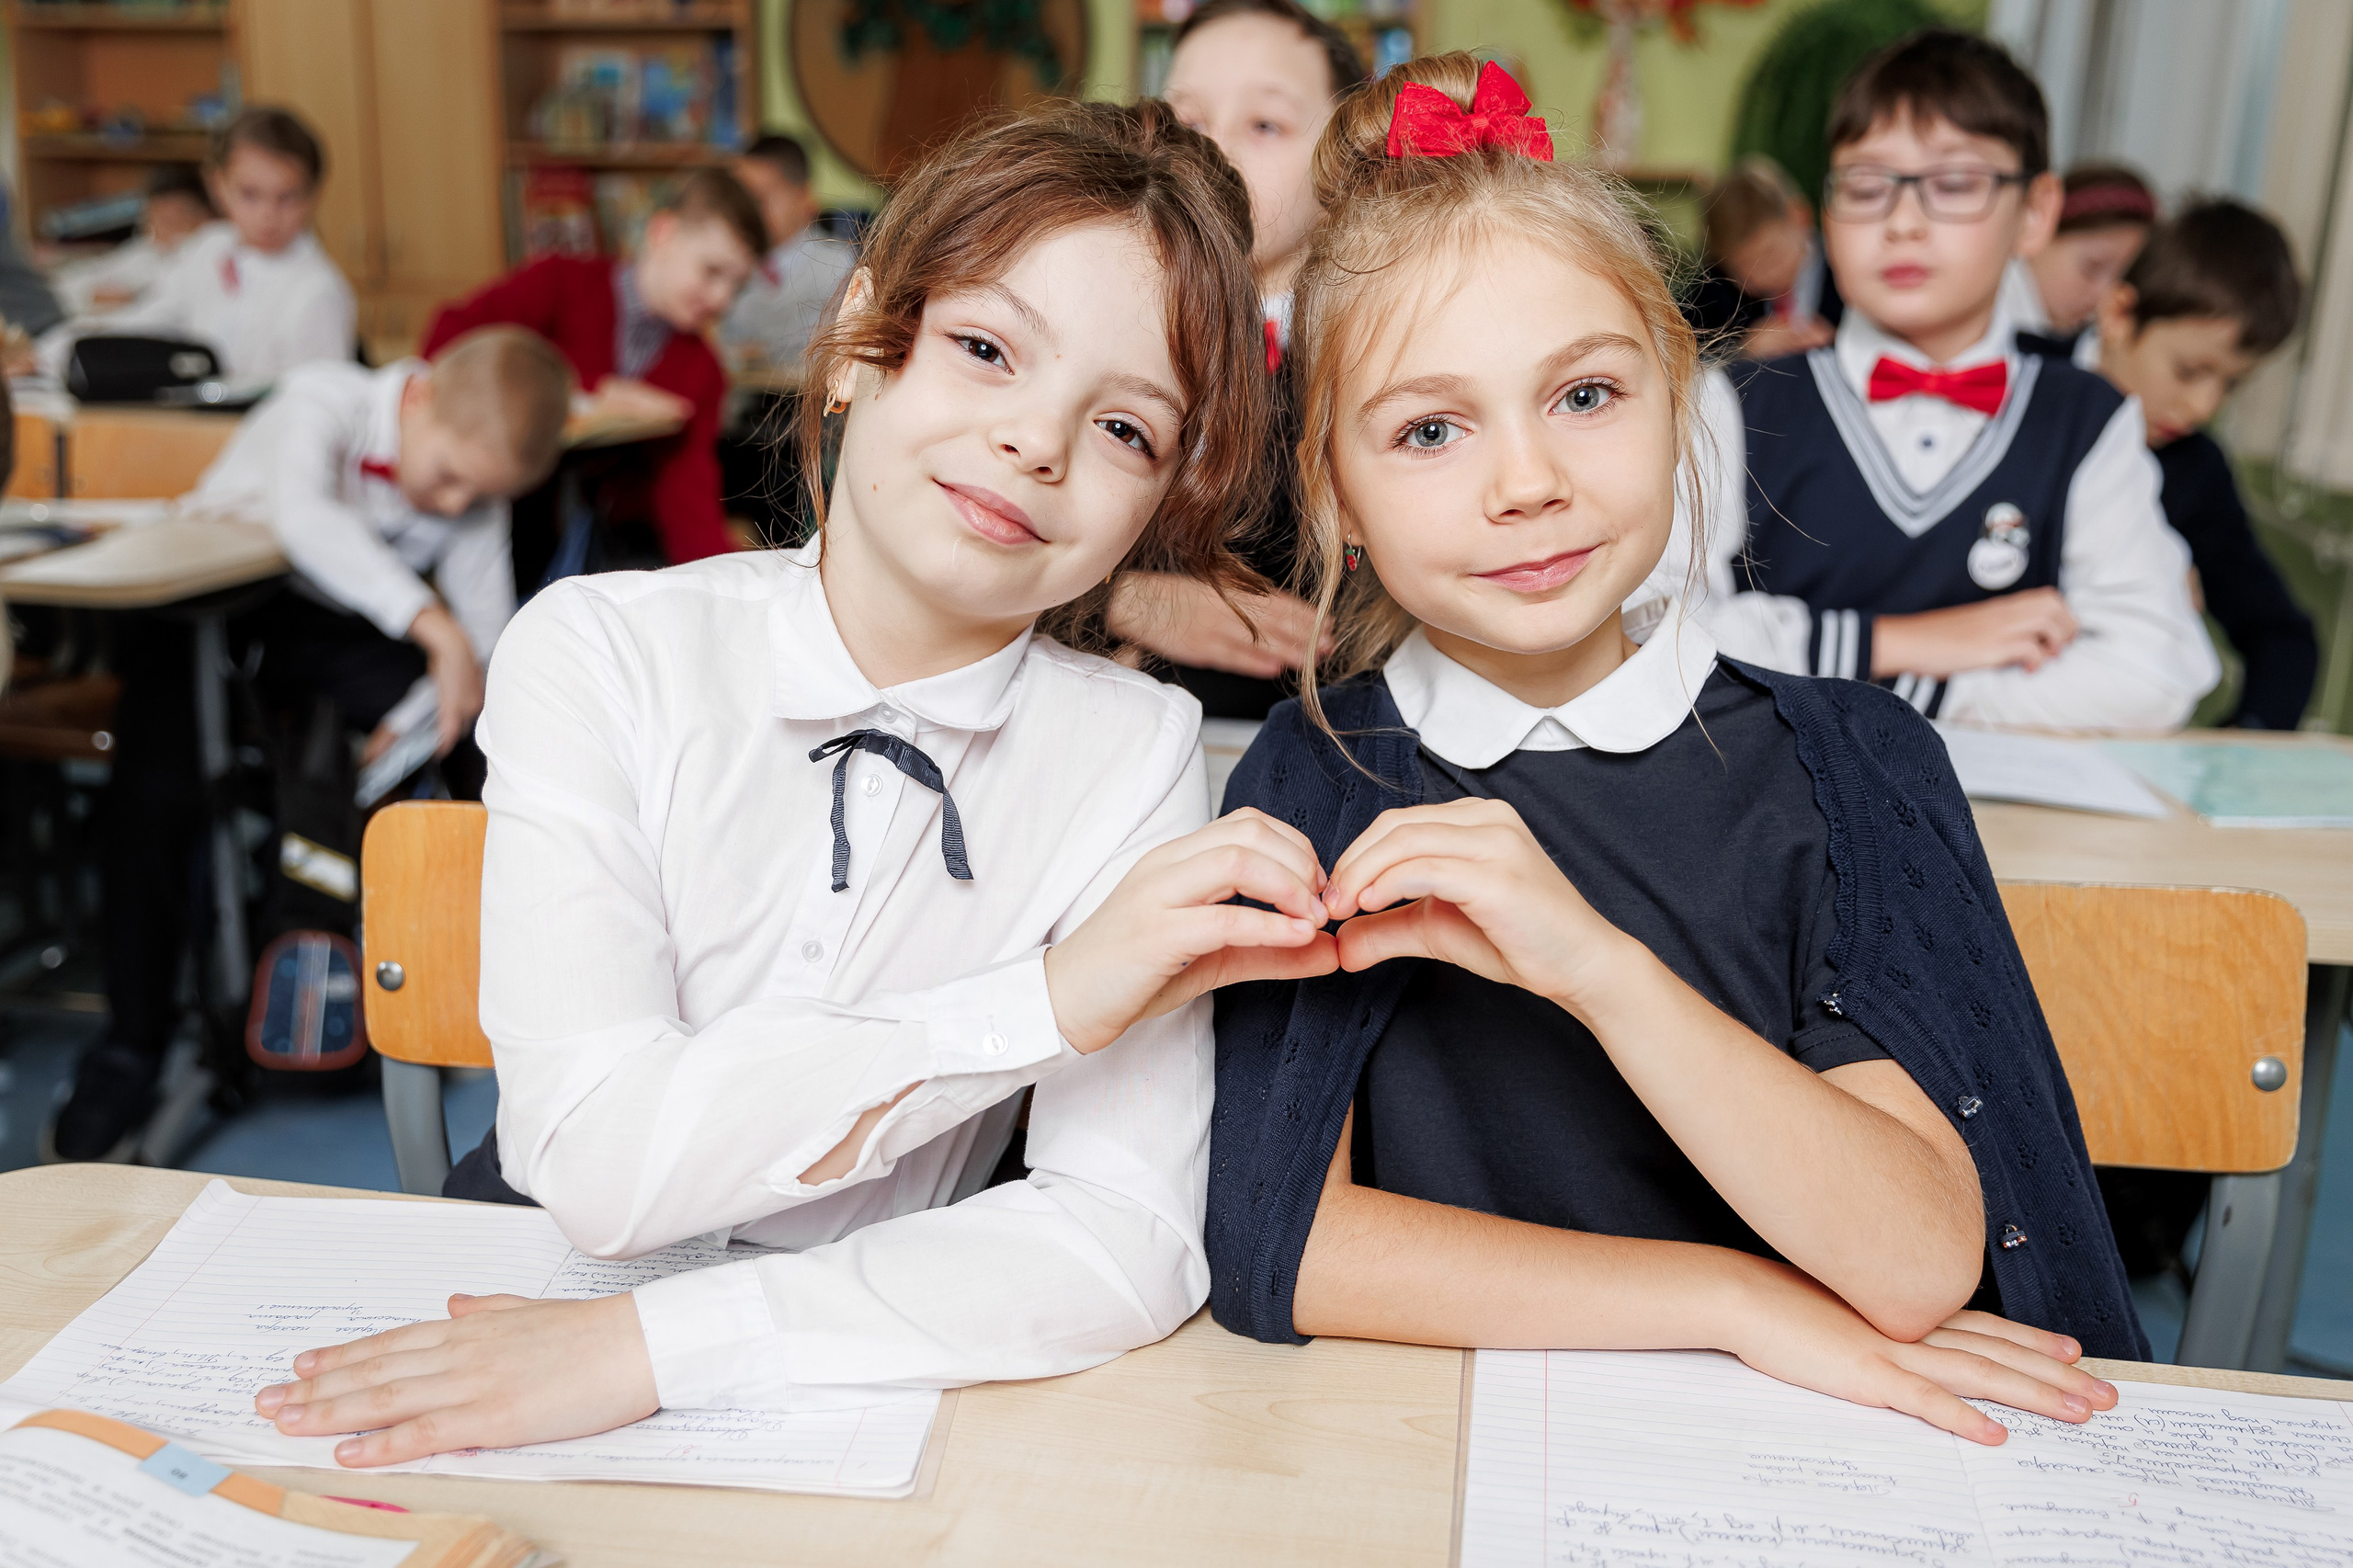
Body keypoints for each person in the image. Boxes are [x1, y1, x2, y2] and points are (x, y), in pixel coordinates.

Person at [247, 100, 1330, 1467]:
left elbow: (1128, 1236)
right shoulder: (601, 648)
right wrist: (1042, 1002)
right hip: (520, 1286)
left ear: (1161, 494)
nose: (1036, 443)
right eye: (986, 349)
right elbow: (596, 1168)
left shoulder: (1136, 747)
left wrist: (662, 1349)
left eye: (1123, 428)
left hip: (859, 1357)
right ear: (863, 337)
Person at [1208, 54, 2140, 1449]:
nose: (1528, 482)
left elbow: (1916, 1256)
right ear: (1334, 489)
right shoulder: (1317, 772)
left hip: (1829, 1470)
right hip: (1434, 1461)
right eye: (1431, 429)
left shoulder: (1847, 761)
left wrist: (1593, 963)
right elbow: (1287, 1243)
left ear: (1676, 395)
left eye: (1585, 395)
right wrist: (1733, 1300)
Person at [50, 326, 574, 1162]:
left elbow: (485, 633)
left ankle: (477, 1004)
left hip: (327, 636)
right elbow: (305, 521)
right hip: (207, 621)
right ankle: (131, 1046)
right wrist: (434, 631)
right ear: (419, 396)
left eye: (470, 495)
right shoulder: (321, 399)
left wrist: (439, 702)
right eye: (444, 479)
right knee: (151, 806)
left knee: (488, 753)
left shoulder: (471, 478)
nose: (448, 505)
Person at [1663, 29, 2215, 732]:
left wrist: (1913, 695)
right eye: (1866, 186)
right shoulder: (1733, 400)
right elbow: (1656, 632)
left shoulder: (2087, 419)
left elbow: (2156, 670)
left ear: (2037, 213)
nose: (1902, 221)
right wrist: (1906, 643)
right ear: (1826, 213)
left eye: (1954, 185)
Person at [1112, 0, 1369, 718]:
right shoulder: (1104, 326)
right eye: (1188, 121)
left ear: (1342, 163)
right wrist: (1124, 599)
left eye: (1264, 124)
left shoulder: (1374, 349)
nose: (1213, 151)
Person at [422, 168, 766, 575]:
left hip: (597, 552)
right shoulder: (560, 282)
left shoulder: (703, 371)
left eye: (737, 287)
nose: (722, 299)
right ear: (662, 234)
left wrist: (728, 580)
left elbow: (688, 496)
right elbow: (445, 342)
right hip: (486, 519)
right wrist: (590, 391)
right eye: (711, 272)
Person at [2089, 199, 2316, 731]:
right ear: (2120, 315)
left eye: (2231, 383)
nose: (2203, 407)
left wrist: (2235, 749)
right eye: (2189, 371)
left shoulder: (2196, 469)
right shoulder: (2017, 392)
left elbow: (2283, 640)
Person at [38, 108, 354, 384]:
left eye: (287, 197)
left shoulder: (317, 291)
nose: (268, 214)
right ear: (218, 185)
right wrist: (50, 351)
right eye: (250, 194)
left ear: (314, 194)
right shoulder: (209, 249)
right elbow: (149, 320)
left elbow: (322, 403)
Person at [718, 134, 855, 374]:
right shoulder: (727, 267)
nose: (746, 211)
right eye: (739, 199)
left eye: (759, 198)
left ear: (803, 196)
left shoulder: (839, 265)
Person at [2003, 162, 2155, 367]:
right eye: (2092, 267)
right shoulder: (1986, 313)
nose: (2102, 297)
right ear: (2039, 228)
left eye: (2121, 279)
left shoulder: (2084, 342)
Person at [1683, 155, 1835, 360]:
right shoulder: (1719, 294)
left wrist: (1837, 345)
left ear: (1800, 218)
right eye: (1744, 269)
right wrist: (1742, 351)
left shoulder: (1846, 273)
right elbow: (1685, 353)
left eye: (1771, 256)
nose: (1761, 276)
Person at [51, 165, 217, 318]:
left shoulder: (203, 257)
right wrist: (93, 295)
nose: (161, 228)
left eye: (174, 219)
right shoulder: (142, 252)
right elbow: (65, 288)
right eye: (155, 217)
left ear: (204, 216)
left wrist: (135, 298)